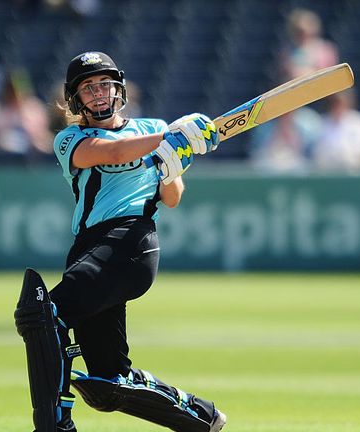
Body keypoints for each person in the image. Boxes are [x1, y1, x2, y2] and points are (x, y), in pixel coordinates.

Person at [13, 51, 225, 432]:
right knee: (108, 383)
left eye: (106, 85)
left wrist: (172, 166)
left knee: (46, 315)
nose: (99, 93)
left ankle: (55, 427)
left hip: (131, 243)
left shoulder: (153, 126)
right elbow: (109, 152)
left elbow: (172, 197)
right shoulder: (70, 138)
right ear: (75, 98)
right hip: (89, 249)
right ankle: (200, 416)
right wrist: (170, 139)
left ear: (119, 89)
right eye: (89, 87)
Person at [312, 89, 360, 170]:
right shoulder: (321, 122)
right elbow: (318, 150)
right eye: (335, 102)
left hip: (355, 170)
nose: (338, 106)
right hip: (327, 171)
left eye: (340, 102)